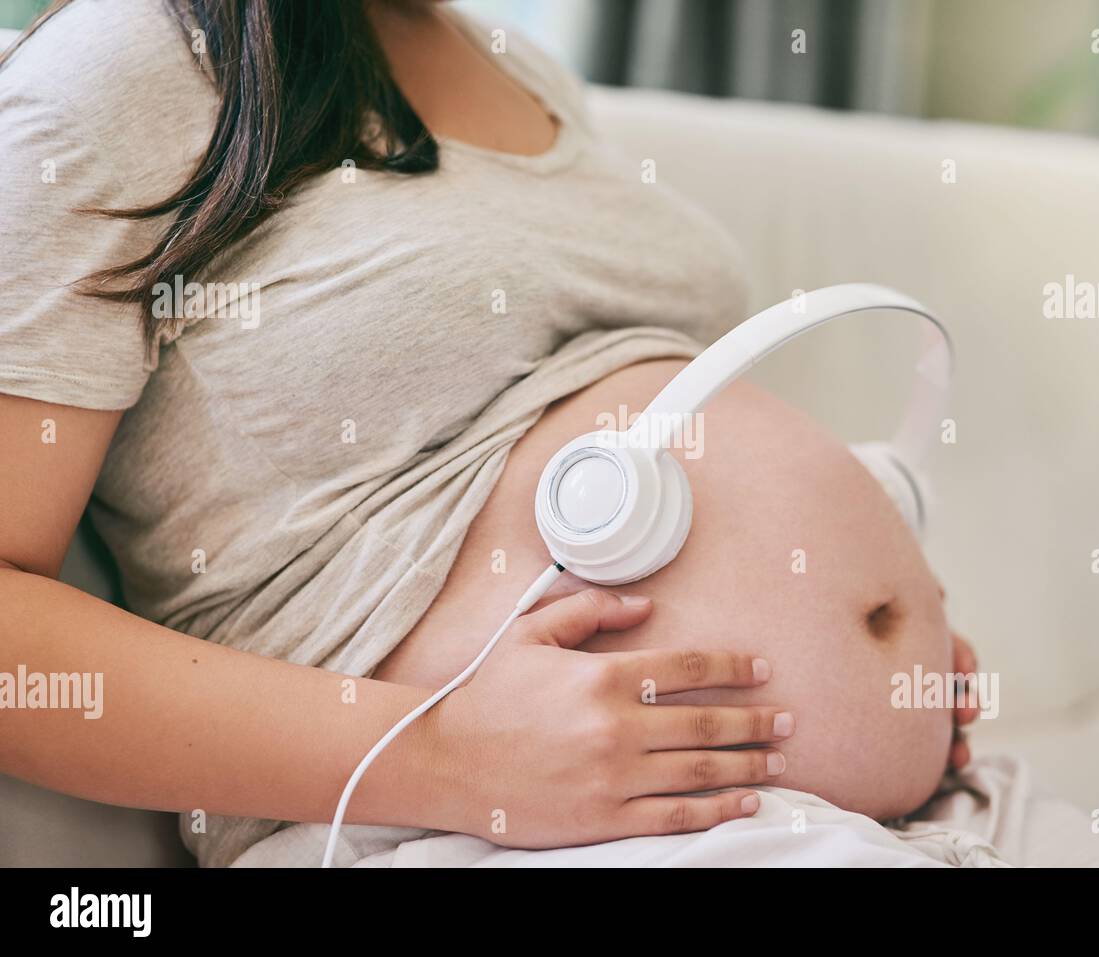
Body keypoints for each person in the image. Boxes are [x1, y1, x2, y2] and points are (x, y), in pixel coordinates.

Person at [0, 0, 976, 867]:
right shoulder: (125, 61)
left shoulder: (512, 63)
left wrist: (879, 642)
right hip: (475, 831)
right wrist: (444, 752)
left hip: (889, 814)